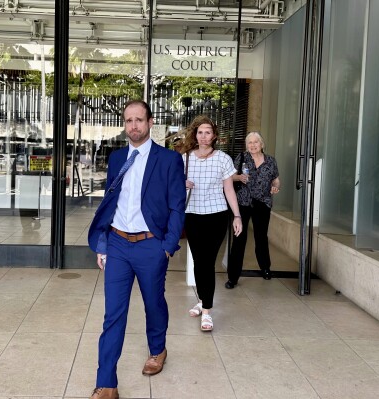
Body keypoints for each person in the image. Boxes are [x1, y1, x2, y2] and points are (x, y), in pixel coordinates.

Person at [87, 100, 185, 399]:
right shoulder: (117, 158)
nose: (133, 126)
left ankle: (157, 350)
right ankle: (107, 384)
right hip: (117, 243)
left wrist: (167, 247)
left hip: (150, 245)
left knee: (153, 303)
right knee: (113, 314)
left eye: (139, 120)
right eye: (128, 120)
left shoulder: (168, 159)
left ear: (150, 122)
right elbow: (110, 202)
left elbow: (177, 207)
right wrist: (103, 242)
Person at [177, 115, 242, 332]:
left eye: (208, 132)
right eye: (200, 132)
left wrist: (237, 216)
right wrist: (181, 182)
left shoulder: (223, 158)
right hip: (193, 215)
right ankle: (203, 299)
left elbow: (229, 189)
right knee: (198, 261)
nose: (204, 136)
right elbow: (171, 183)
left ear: (214, 135)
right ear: (195, 134)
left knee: (208, 262)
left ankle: (206, 311)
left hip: (216, 215)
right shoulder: (185, 157)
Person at [225, 131, 280, 288]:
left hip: (263, 203)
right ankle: (233, 277)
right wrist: (239, 177)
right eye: (250, 142)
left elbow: (276, 179)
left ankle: (265, 268)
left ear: (261, 144)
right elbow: (230, 176)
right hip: (243, 203)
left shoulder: (270, 161)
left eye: (256, 142)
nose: (253, 145)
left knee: (261, 237)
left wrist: (276, 187)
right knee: (239, 239)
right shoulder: (241, 158)